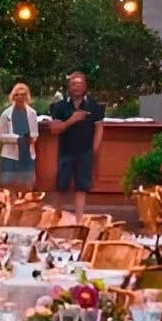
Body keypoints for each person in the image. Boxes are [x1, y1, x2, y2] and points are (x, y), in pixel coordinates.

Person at [46, 71, 104, 218]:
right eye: (73, 83)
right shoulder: (59, 106)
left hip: (85, 152)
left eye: (80, 83)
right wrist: (72, 120)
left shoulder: (94, 105)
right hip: (65, 151)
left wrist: (94, 149)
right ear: (68, 87)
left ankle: (79, 221)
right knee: (61, 186)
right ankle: (55, 217)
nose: (76, 87)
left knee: (81, 187)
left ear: (85, 86)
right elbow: (54, 130)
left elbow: (99, 128)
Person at [0, 82, 40, 190]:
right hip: (10, 155)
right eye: (17, 94)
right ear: (13, 96)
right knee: (9, 184)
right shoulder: (6, 114)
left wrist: (30, 138)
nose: (20, 97)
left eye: (23, 94)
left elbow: (35, 133)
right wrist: (16, 139)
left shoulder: (32, 113)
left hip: (27, 154)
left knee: (27, 184)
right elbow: (1, 135)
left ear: (27, 96)